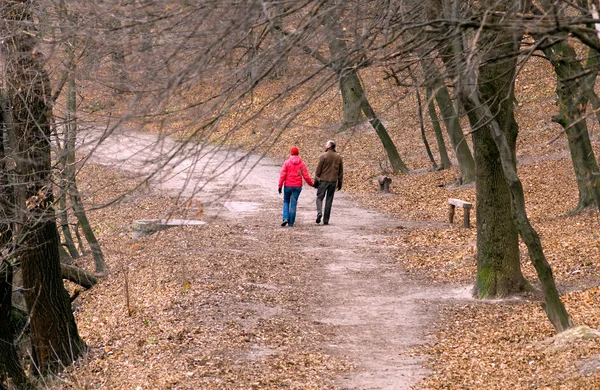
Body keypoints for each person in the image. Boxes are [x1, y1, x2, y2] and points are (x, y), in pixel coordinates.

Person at [278, 147, 314, 227]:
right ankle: (291, 223)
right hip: (297, 186)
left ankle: (285, 218)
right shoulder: (302, 164)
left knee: (286, 201)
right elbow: (306, 176)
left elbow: (282, 175)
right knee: (293, 203)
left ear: (291, 153)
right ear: (298, 153)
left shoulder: (287, 163)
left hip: (288, 185)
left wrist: (280, 186)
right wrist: (311, 184)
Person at [314, 140, 343, 225]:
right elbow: (340, 171)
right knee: (329, 200)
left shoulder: (323, 156)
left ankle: (319, 212)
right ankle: (326, 220)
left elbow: (318, 170)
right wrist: (340, 182)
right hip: (333, 181)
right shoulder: (338, 157)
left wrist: (316, 181)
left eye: (326, 143)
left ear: (329, 146)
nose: (325, 144)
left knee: (319, 197)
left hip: (323, 180)